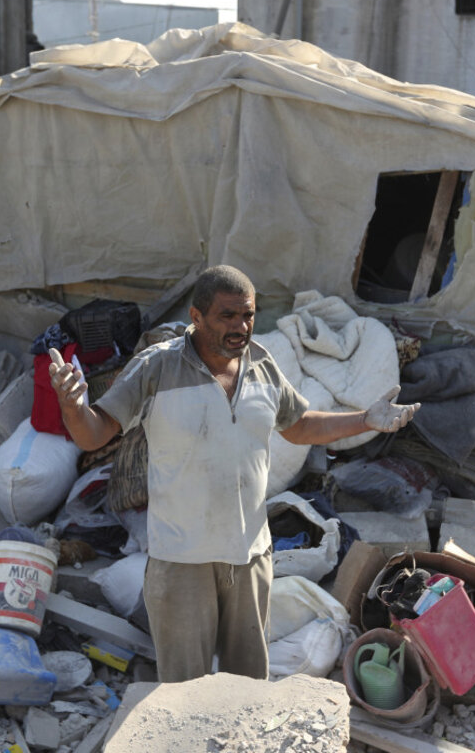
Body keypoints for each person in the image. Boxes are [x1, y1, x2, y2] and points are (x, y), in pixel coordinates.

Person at [49, 265, 419, 682]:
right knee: (184, 686)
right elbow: (94, 433)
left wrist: (366, 419)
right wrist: (73, 407)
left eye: (248, 315)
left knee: (246, 684)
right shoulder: (156, 368)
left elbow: (300, 426)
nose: (241, 326)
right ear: (196, 317)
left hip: (249, 558)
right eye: (227, 315)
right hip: (181, 561)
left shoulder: (262, 365)